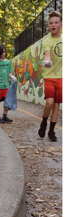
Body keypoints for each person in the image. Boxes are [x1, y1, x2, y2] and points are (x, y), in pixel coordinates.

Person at [38, 11, 62, 141]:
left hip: (61, 77)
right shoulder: (47, 41)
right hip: (49, 76)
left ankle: (51, 131)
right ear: (48, 26)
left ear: (61, 25)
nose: (53, 25)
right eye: (51, 23)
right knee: (49, 103)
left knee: (57, 105)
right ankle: (43, 122)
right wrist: (47, 61)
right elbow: (47, 54)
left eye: (56, 22)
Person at [0, 44, 16, 123]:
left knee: (6, 101)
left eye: (4, 52)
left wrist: (12, 77)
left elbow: (9, 73)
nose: (3, 54)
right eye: (1, 53)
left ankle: (5, 116)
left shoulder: (8, 62)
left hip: (6, 85)